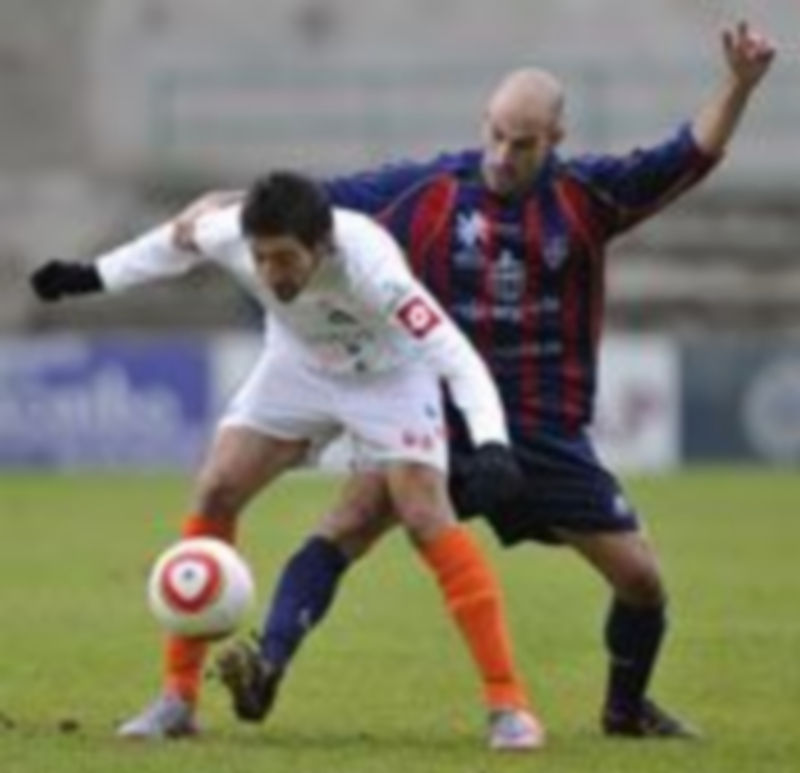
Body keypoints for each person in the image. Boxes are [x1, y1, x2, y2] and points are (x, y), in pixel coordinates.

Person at [32, 20, 776, 738]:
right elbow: (310, 204)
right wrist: (226, 202)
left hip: (544, 427)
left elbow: (689, 155)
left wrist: (738, 85)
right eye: (494, 133)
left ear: (554, 141)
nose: (502, 153)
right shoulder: (425, 191)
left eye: (522, 143)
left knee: (641, 579)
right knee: (347, 525)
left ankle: (625, 709)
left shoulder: (591, 196)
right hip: (435, 405)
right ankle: (264, 662)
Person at [30, 172, 544, 749]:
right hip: (298, 367)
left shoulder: (374, 267)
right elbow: (174, 245)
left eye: (286, 258)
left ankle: (508, 705)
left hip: (390, 379)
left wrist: (493, 444)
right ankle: (178, 699)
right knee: (216, 490)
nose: (272, 273)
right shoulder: (232, 232)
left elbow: (457, 357)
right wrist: (89, 276)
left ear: (323, 244)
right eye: (261, 258)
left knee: (425, 517)